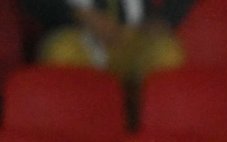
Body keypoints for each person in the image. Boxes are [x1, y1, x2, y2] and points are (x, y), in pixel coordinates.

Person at [21, 0, 192, 85]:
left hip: (134, 32)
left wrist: (164, 19)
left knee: (166, 53)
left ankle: (143, 130)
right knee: (61, 53)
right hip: (76, 34)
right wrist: (81, 15)